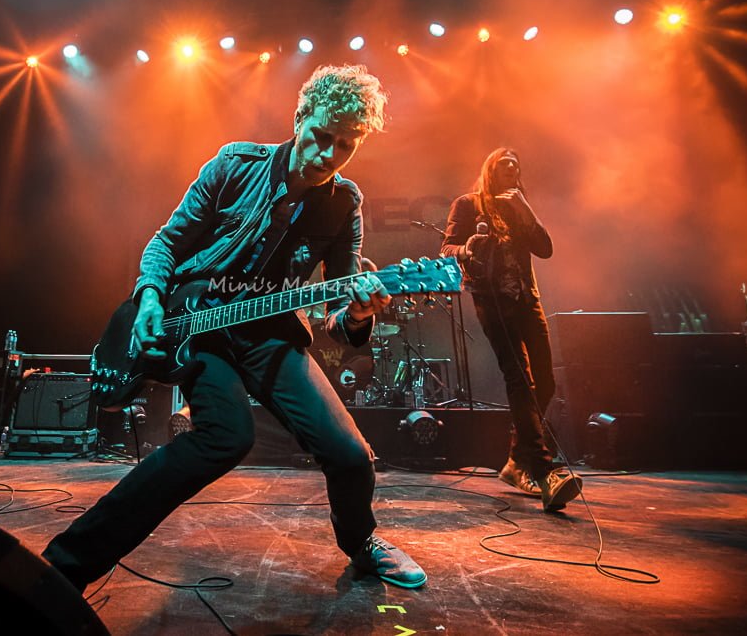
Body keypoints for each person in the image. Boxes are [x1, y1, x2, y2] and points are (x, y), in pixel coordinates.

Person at [42, 64, 427, 590]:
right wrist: (150, 296)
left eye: (345, 145)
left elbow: (339, 313)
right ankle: (65, 564)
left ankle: (361, 542)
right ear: (299, 118)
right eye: (320, 136)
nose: (328, 155)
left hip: (271, 335)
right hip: (199, 326)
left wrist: (360, 314)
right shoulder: (235, 164)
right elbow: (167, 242)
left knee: (351, 455)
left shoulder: (344, 205)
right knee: (226, 437)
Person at [439, 147, 582, 512]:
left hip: (527, 299)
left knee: (545, 381)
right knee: (519, 378)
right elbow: (446, 249)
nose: (511, 168)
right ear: (490, 170)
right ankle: (543, 471)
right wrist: (466, 248)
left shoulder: (519, 209)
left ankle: (517, 461)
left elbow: (545, 249)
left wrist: (526, 209)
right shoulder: (468, 204)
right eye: (504, 164)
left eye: (515, 165)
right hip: (493, 302)